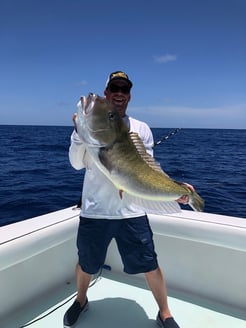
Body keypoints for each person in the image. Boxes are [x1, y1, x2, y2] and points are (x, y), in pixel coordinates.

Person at [64, 71, 193, 328]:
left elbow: (148, 169)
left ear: (129, 96)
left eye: (124, 90)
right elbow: (76, 164)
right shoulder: (85, 131)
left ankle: (164, 313)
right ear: (107, 94)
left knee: (150, 264)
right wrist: (80, 134)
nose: (119, 94)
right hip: (95, 211)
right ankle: (81, 300)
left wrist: (175, 189)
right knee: (86, 264)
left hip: (132, 211)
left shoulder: (141, 128)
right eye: (114, 89)